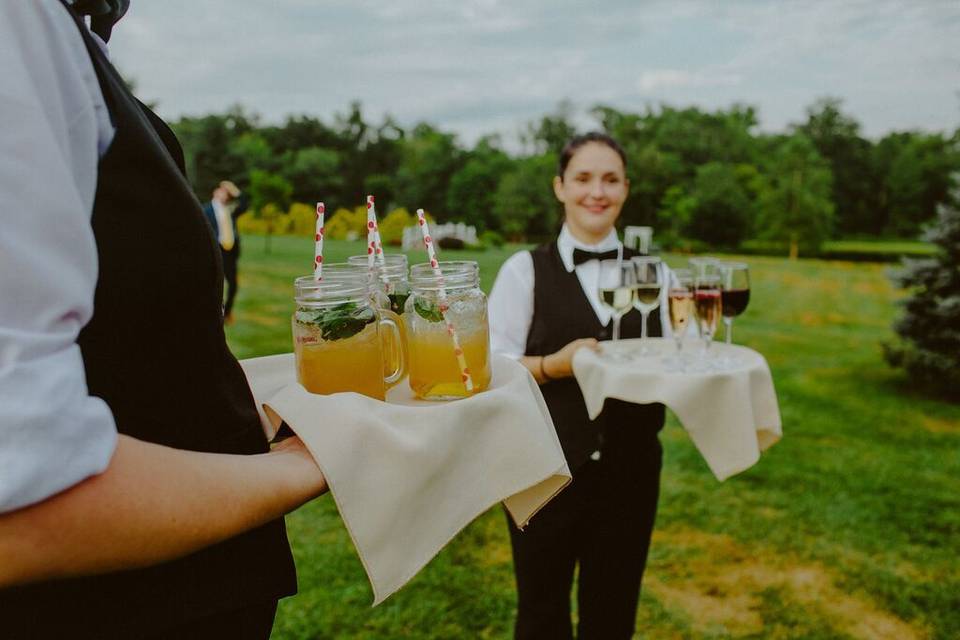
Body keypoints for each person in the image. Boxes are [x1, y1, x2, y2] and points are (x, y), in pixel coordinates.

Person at [0, 2, 326, 637]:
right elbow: (21, 492)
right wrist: (312, 461)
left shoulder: (75, 51)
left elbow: (121, 361)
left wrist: (257, 405)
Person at [488, 132, 672, 640]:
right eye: (584, 178)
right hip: (541, 468)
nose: (597, 191)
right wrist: (551, 365)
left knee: (613, 615)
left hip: (630, 473)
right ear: (560, 187)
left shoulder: (654, 272)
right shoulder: (524, 270)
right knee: (541, 613)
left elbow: (680, 360)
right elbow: (487, 370)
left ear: (626, 189)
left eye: (610, 179)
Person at [203, 180, 249, 324]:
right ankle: (212, 314)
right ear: (215, 192)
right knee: (214, 286)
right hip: (216, 252)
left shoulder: (230, 209)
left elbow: (245, 205)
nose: (225, 195)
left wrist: (235, 190)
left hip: (230, 253)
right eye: (222, 191)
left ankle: (227, 313)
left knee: (233, 285)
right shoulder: (206, 210)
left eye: (227, 193)